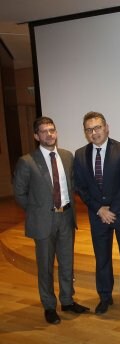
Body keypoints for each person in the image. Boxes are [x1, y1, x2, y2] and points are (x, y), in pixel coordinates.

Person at [13, 116, 89, 324]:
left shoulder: (67, 156)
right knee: (45, 266)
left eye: (52, 130)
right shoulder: (27, 161)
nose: (50, 134)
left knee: (67, 262)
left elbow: (71, 185)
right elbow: (19, 193)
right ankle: (49, 305)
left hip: (66, 217)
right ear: (36, 136)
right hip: (43, 221)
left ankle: (67, 300)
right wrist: (37, 211)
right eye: (44, 131)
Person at [74, 111, 120, 315]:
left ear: (106, 127)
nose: (94, 133)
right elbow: (81, 187)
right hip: (97, 216)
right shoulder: (80, 155)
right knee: (102, 258)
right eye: (89, 129)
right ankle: (105, 297)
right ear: (86, 133)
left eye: (97, 127)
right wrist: (99, 209)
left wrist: (111, 210)